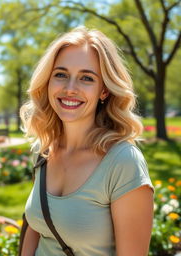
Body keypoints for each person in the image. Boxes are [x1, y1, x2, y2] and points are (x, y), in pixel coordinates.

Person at [20, 26, 155, 256]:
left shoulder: (123, 162)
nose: (70, 89)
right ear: (48, 82)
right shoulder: (43, 151)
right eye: (60, 74)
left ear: (104, 91)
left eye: (86, 78)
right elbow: (35, 229)